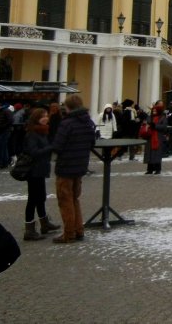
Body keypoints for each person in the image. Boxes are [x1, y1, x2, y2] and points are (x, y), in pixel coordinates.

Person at [50, 94, 96, 244]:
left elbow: (58, 145)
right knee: (75, 198)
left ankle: (69, 233)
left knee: (65, 200)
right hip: (80, 165)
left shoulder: (67, 123)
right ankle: (78, 229)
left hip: (66, 166)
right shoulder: (88, 122)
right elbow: (92, 143)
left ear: (68, 107)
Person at [21, 107, 60, 241]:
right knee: (33, 199)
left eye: (46, 116)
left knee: (41, 197)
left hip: (40, 170)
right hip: (33, 171)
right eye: (43, 116)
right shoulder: (32, 133)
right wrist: (51, 147)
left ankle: (45, 224)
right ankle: (29, 230)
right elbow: (34, 152)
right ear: (37, 118)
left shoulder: (42, 132)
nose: (46, 118)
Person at [140, 103, 168, 174]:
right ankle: (150, 169)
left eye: (155, 111)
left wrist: (154, 126)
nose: (154, 112)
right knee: (149, 153)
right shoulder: (149, 117)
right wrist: (145, 124)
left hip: (157, 138)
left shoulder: (162, 117)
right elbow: (146, 124)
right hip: (149, 137)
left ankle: (158, 169)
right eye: (153, 111)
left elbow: (164, 127)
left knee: (156, 154)